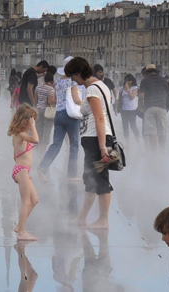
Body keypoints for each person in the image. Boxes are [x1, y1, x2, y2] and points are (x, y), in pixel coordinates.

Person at [69, 57, 117, 229]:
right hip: (96, 138)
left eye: (73, 77)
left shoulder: (92, 90)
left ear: (78, 73)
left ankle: (103, 220)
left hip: (97, 139)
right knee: (91, 178)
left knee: (101, 179)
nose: (75, 82)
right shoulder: (101, 86)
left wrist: (103, 147)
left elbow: (99, 118)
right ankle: (82, 217)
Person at [39, 58, 84, 181]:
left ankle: (42, 167)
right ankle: (72, 175)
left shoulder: (58, 81)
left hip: (58, 114)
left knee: (56, 144)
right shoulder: (73, 82)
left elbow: (54, 99)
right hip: (71, 115)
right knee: (74, 145)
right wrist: (84, 103)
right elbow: (76, 99)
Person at [8, 105, 41, 241]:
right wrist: (33, 127)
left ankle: (19, 226)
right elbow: (36, 140)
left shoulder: (20, 135)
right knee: (26, 201)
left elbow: (15, 155)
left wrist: (25, 173)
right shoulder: (20, 134)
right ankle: (22, 232)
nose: (32, 125)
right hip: (21, 170)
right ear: (25, 121)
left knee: (34, 200)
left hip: (23, 171)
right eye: (31, 122)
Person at [138, 64, 169, 149]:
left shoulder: (144, 81)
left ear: (147, 72)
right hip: (162, 107)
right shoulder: (164, 80)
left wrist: (139, 107)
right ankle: (162, 152)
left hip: (149, 108)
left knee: (153, 132)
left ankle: (154, 153)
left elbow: (141, 96)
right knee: (162, 132)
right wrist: (167, 106)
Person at [119, 74, 141, 140]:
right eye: (127, 80)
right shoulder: (121, 88)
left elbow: (132, 97)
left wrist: (128, 89)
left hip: (132, 110)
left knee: (133, 125)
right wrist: (116, 107)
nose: (128, 82)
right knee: (125, 126)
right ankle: (127, 142)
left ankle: (138, 140)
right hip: (123, 110)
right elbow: (119, 99)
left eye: (130, 80)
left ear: (132, 81)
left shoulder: (134, 88)